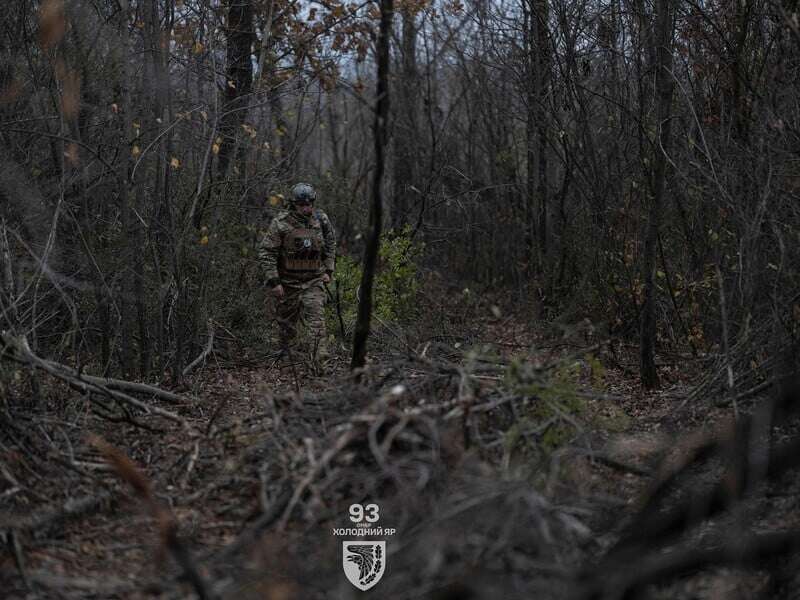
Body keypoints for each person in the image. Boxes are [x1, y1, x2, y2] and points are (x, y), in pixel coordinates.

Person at [258, 182, 336, 372]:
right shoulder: (281, 223)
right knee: (286, 327)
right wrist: (274, 281)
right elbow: (267, 252)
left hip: (313, 280)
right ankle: (285, 361)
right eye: (302, 204)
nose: (306, 208)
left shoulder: (321, 219)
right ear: (294, 204)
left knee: (317, 324)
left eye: (309, 204)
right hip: (288, 283)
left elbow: (331, 244)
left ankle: (320, 366)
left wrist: (328, 270)